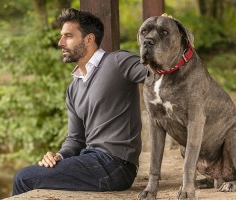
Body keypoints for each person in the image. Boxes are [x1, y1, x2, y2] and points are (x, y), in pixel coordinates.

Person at [11, 8, 147, 196]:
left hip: (117, 164)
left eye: (68, 36)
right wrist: (58, 156)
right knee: (33, 175)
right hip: (92, 160)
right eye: (61, 37)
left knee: (24, 178)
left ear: (89, 39)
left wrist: (169, 37)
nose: (60, 43)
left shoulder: (117, 62)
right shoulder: (74, 88)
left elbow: (158, 73)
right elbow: (75, 139)